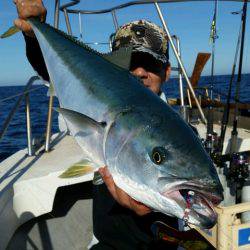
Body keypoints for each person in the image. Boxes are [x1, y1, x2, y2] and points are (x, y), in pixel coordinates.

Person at [14, 1, 180, 249]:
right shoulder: (95, 104)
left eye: (151, 63)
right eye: (129, 63)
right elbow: (57, 72)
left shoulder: (179, 130)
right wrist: (33, 33)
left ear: (167, 72)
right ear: (111, 68)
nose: (140, 72)